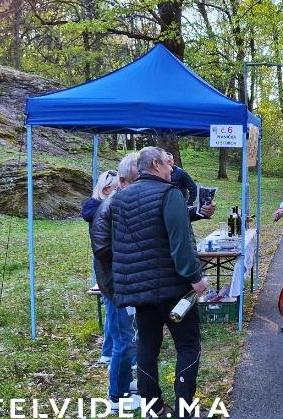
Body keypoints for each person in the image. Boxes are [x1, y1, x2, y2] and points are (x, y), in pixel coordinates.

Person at [108, 146, 208, 419]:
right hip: (173, 287)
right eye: (168, 162)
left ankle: (154, 409)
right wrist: (196, 278)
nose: (172, 168)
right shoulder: (169, 194)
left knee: (147, 346)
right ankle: (184, 411)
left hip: (139, 289)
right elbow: (181, 243)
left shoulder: (120, 199)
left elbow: (114, 244)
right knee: (187, 346)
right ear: (154, 164)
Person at [90, 154, 141, 414]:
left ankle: (124, 384)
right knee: (124, 340)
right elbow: (102, 250)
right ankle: (116, 397)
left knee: (131, 337)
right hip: (118, 284)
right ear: (122, 181)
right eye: (136, 181)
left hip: (130, 281)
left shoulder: (125, 204)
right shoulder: (110, 207)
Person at [81, 169, 120, 365]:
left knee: (114, 309)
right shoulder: (97, 209)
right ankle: (110, 352)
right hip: (106, 265)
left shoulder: (102, 207)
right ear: (106, 189)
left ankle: (109, 350)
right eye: (117, 188)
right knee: (114, 308)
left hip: (110, 264)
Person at [165, 152, 216, 221]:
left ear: (173, 161)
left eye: (170, 160)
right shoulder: (161, 174)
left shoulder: (181, 173)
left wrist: (190, 203)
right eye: (166, 161)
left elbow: (193, 188)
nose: (168, 163)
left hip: (180, 206)